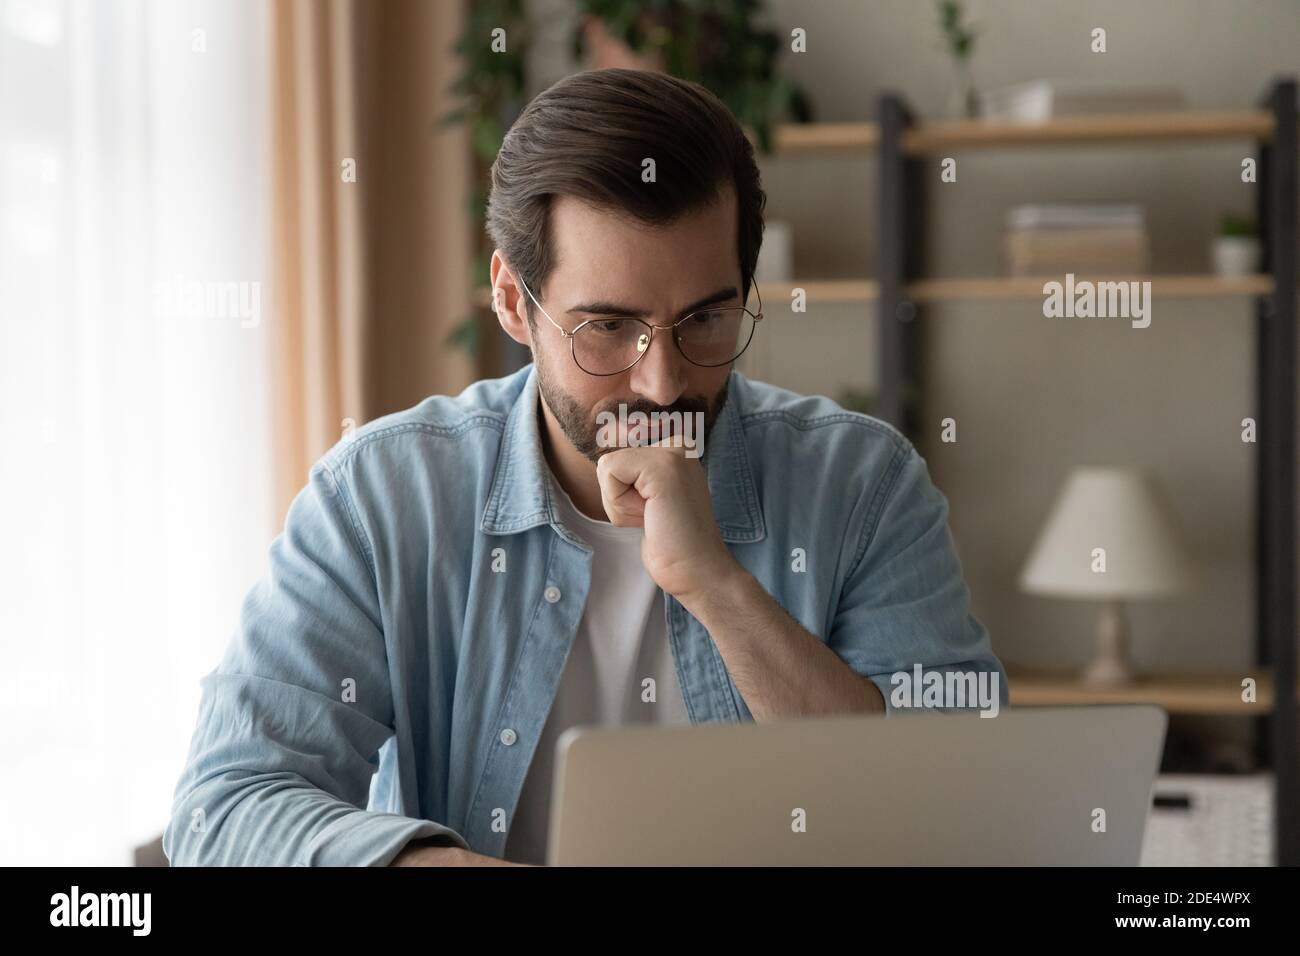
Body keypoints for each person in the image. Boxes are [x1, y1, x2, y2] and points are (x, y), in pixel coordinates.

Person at [164, 67, 1007, 868]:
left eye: (705, 319)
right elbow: (225, 806)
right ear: (510, 300)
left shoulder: (862, 485)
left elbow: (961, 793)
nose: (663, 380)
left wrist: (715, 586)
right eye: (607, 326)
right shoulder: (383, 499)